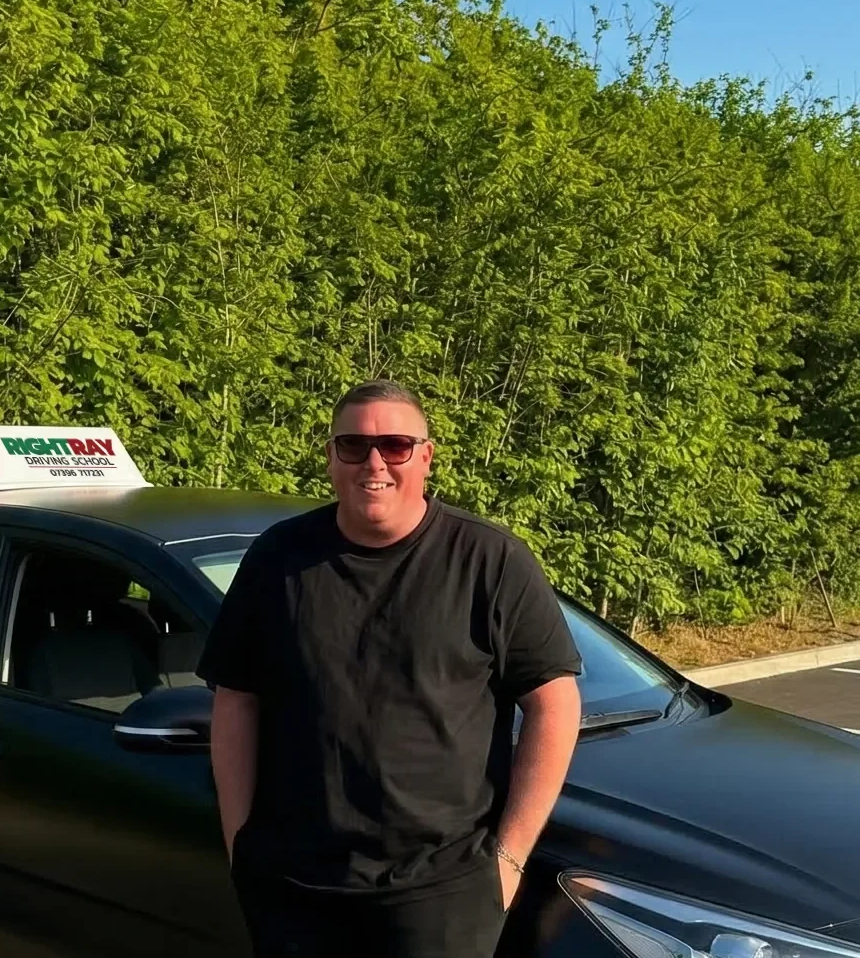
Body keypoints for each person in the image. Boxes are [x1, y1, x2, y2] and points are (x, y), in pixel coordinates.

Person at [196, 380, 582, 958]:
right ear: (331, 457)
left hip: (442, 892)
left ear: (425, 457)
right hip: (294, 887)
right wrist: (240, 846)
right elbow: (236, 699)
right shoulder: (278, 559)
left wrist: (507, 858)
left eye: (396, 445)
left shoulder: (489, 559)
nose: (374, 463)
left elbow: (554, 703)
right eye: (353, 445)